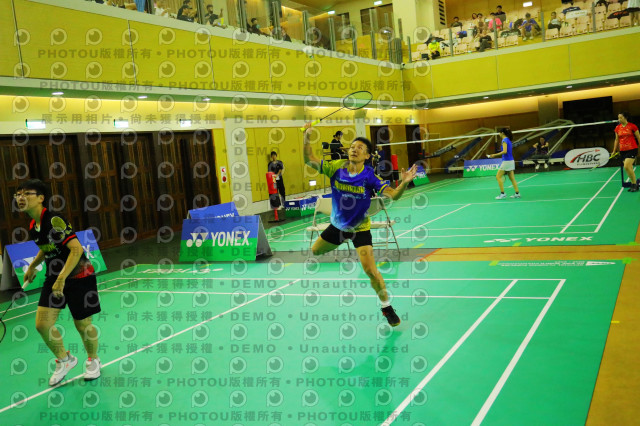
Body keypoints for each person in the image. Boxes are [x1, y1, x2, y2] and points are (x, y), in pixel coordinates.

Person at [302, 123, 417, 327]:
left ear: (367, 156)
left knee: (371, 271)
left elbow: (394, 196)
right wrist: (306, 137)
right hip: (338, 226)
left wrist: (404, 182)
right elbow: (308, 159)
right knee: (316, 251)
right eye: (352, 146)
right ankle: (343, 242)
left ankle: (387, 307)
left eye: (360, 148)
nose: (354, 149)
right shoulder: (336, 167)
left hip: (359, 229)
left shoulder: (369, 176)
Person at [16, 179, 101, 386]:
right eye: (18, 194)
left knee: (83, 324)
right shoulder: (34, 225)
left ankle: (93, 360)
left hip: (79, 275)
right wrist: (32, 266)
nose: (20, 198)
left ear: (41, 198)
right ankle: (65, 360)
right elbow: (46, 248)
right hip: (54, 276)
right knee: (42, 324)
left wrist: (62, 278)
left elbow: (76, 249)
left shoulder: (54, 220)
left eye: (26, 193)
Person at [487, 128, 521, 199]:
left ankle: (502, 193)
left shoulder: (504, 140)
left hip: (506, 161)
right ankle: (517, 193)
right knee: (512, 178)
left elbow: (505, 151)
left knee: (498, 176)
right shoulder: (508, 140)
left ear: (502, 133)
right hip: (511, 161)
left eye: (499, 133)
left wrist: (494, 155)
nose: (499, 134)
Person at [613, 112, 639, 192]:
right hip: (623, 150)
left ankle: (634, 184)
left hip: (632, 149)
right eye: (618, 118)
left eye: (621, 117)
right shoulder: (617, 128)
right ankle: (633, 184)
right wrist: (614, 150)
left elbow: (638, 137)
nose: (619, 119)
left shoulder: (632, 126)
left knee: (626, 166)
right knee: (629, 168)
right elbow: (616, 140)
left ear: (625, 117)